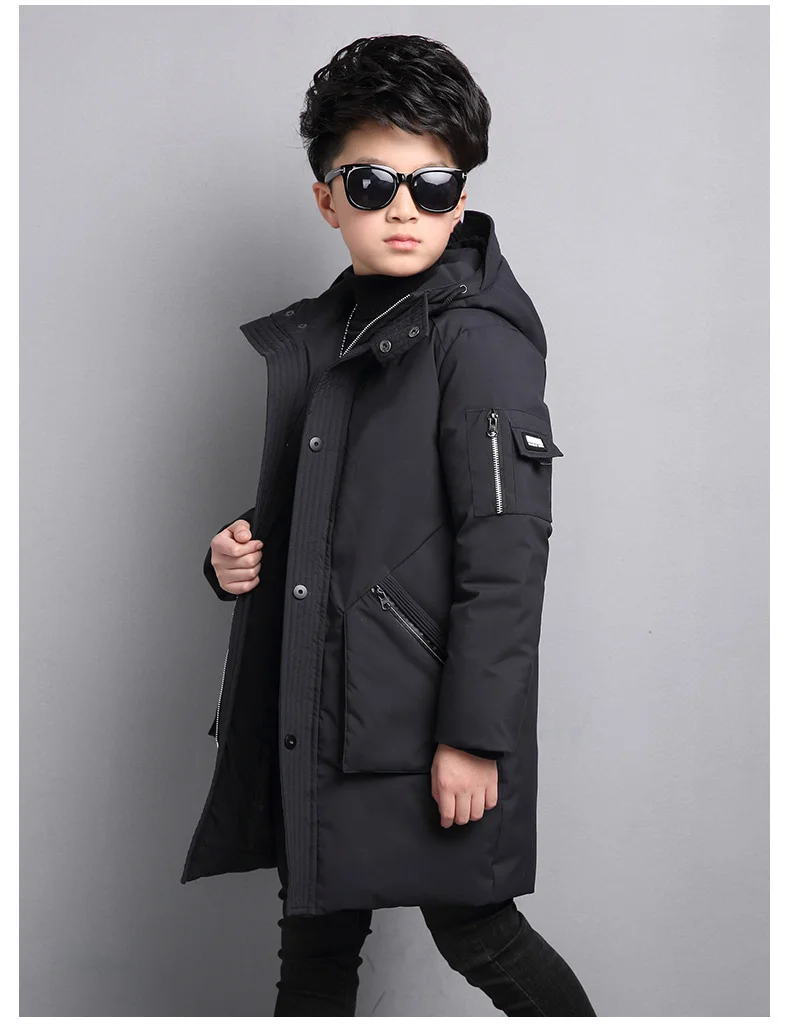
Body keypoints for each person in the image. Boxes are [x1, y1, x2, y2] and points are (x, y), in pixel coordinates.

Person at [182, 33, 596, 1016]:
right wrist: (234, 552)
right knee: (313, 954)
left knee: (481, 934)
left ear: (461, 194)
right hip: (320, 710)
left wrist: (475, 739)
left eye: (432, 185)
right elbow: (338, 510)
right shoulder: (334, 336)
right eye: (372, 184)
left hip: (417, 725)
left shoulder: (477, 343)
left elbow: (506, 552)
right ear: (328, 199)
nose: (404, 209)